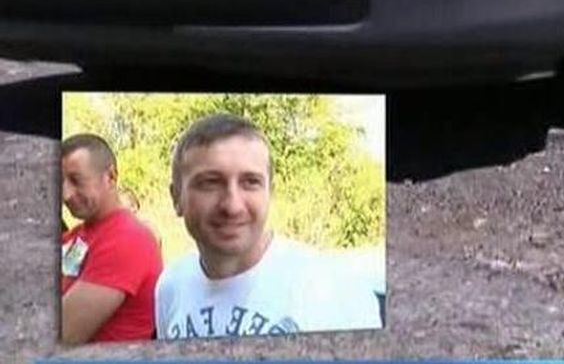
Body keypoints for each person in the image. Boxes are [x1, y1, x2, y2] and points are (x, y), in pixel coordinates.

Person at [156, 113, 382, 339]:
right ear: (176, 198)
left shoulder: (335, 291)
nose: (232, 206)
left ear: (269, 193)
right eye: (210, 183)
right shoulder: (171, 286)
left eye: (250, 182)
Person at [61, 134, 163, 344]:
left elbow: (61, 335)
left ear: (111, 177)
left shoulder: (128, 238)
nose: (66, 195)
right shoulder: (78, 234)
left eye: (76, 181)